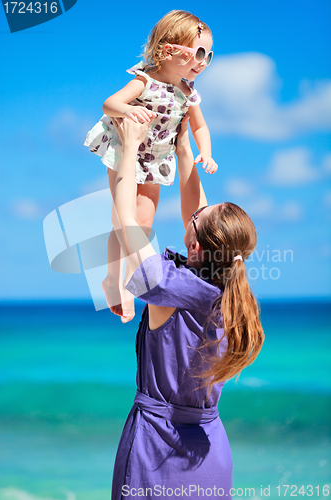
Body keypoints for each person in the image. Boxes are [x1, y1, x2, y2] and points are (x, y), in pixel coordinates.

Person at [108, 114, 265, 499]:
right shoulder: (231, 287)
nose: (193, 212)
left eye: (195, 219)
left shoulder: (170, 285)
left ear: (196, 246)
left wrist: (129, 150)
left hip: (156, 447)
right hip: (208, 449)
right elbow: (202, 219)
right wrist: (182, 148)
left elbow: (125, 220)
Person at [84, 10, 217, 322]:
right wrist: (129, 112)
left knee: (140, 226)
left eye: (209, 56)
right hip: (125, 150)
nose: (203, 61)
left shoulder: (188, 93)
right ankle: (115, 281)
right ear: (167, 49)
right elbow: (109, 104)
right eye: (199, 53)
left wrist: (206, 153)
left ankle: (129, 281)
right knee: (121, 219)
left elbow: (200, 128)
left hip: (156, 160)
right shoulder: (144, 81)